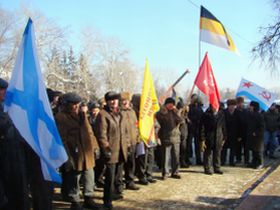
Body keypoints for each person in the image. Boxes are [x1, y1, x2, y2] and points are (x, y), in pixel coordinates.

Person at [0, 78, 54, 210]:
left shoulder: (10, 108)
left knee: (20, 193)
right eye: (2, 90)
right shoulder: (7, 110)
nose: (6, 92)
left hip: (18, 158)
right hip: (6, 159)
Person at [55, 92, 99, 210]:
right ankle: (75, 202)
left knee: (89, 175)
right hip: (74, 152)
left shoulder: (82, 115)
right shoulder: (61, 117)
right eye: (73, 104)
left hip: (87, 151)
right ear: (66, 104)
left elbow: (90, 132)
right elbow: (61, 139)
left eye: (77, 104)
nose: (76, 106)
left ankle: (88, 198)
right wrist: (67, 156)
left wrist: (95, 146)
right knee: (74, 178)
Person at [96, 91, 128, 210]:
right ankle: (107, 200)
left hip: (121, 149)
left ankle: (114, 194)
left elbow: (125, 132)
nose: (113, 102)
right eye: (111, 100)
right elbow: (101, 134)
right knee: (109, 177)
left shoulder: (121, 114)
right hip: (111, 150)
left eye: (115, 100)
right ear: (107, 102)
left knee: (118, 175)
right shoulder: (103, 114)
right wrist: (106, 148)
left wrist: (127, 145)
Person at [156, 97, 183, 180]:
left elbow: (181, 121)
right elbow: (159, 122)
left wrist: (177, 112)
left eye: (172, 104)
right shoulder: (161, 112)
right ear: (166, 104)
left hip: (176, 137)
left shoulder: (175, 112)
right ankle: (165, 173)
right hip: (165, 137)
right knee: (165, 157)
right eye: (169, 104)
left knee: (175, 156)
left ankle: (175, 172)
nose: (171, 105)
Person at [120, 92, 140, 190]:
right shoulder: (119, 112)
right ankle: (119, 184)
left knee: (131, 163)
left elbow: (136, 125)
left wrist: (137, 137)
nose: (124, 102)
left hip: (133, 142)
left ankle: (130, 181)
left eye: (126, 100)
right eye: (122, 101)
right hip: (123, 143)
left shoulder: (132, 112)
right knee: (121, 164)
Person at [199, 104, 227, 175]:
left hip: (218, 136)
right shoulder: (206, 115)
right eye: (214, 107)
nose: (215, 108)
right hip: (209, 136)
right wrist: (202, 139)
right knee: (208, 153)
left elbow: (223, 126)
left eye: (217, 106)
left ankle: (217, 167)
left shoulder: (221, 114)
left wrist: (224, 137)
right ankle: (207, 168)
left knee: (217, 153)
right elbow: (202, 127)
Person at [246, 101, 265, 169]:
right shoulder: (250, 114)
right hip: (251, 135)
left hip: (258, 137)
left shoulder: (259, 115)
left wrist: (256, 133)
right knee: (254, 150)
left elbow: (262, 127)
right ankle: (254, 162)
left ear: (253, 107)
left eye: (250, 106)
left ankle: (260, 163)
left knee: (258, 151)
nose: (249, 107)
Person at [221, 99, 240, 166]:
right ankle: (222, 161)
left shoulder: (238, 113)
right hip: (225, 133)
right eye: (230, 106)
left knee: (233, 149)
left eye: (233, 106)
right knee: (224, 149)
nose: (232, 107)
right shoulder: (224, 112)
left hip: (234, 134)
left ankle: (231, 161)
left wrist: (239, 135)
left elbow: (240, 125)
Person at [187, 94, 204, 165]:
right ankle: (187, 159)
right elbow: (187, 116)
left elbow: (202, 117)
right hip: (190, 128)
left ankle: (198, 159)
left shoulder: (200, 108)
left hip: (198, 128)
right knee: (189, 144)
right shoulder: (189, 107)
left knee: (197, 145)